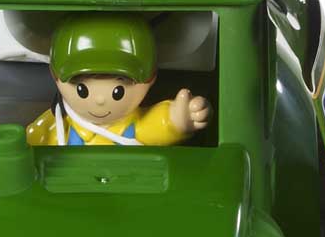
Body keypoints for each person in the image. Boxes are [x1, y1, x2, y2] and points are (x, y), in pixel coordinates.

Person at [26, 13, 211, 146]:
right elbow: (38, 134)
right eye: (82, 89)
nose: (100, 100)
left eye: (118, 92)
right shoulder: (61, 125)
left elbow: (158, 123)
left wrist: (178, 120)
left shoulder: (135, 127)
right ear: (55, 76)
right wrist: (35, 136)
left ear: (151, 78)